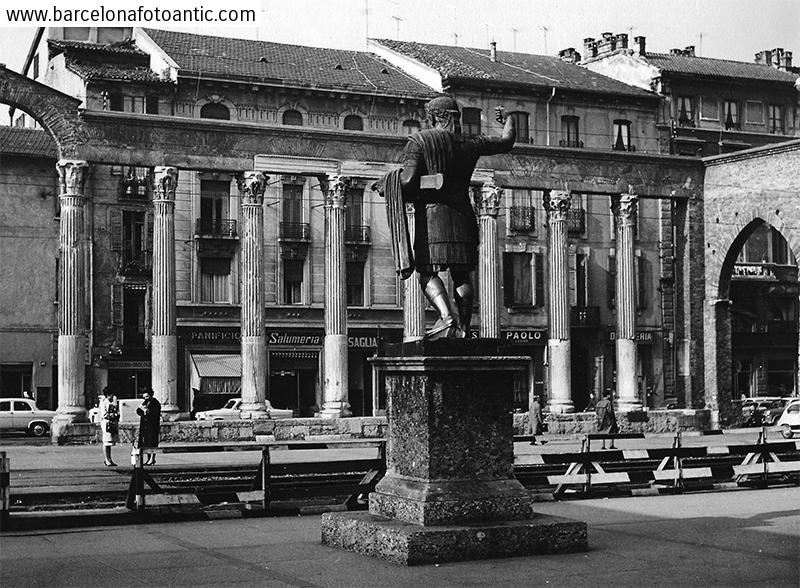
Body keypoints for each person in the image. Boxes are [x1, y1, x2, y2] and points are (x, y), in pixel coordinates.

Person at [380, 95, 516, 339]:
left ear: (432, 117)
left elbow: (409, 181)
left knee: (426, 272)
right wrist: (509, 118)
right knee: (462, 275)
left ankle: (447, 316)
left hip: (433, 217)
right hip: (464, 215)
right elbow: (507, 141)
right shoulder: (472, 142)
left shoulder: (419, 140)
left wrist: (388, 182)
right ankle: (464, 328)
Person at [135, 388, 161, 466]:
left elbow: (155, 414)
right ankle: (148, 458)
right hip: (145, 426)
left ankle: (152, 458)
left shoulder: (155, 403)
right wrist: (141, 409)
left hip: (152, 425)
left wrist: (147, 411)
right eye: (144, 397)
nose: (145, 398)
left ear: (150, 395)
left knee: (152, 442)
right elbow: (138, 411)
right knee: (146, 443)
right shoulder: (145, 402)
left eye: (146, 396)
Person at [99, 387, 120, 467]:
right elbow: (104, 414)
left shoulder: (113, 401)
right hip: (106, 423)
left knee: (110, 442)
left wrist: (116, 414)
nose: (112, 396)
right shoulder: (104, 402)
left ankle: (109, 458)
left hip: (113, 422)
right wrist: (111, 415)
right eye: (110, 394)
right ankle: (106, 459)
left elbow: (116, 410)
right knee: (106, 441)